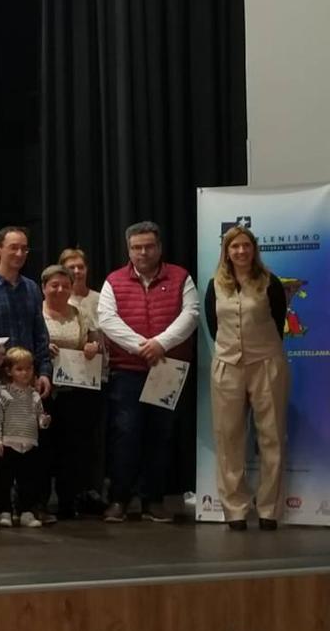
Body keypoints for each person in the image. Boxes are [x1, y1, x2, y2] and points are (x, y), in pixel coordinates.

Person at [98, 221, 199, 523]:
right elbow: (106, 319)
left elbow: (191, 314)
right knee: (125, 436)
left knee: (160, 436)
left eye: (148, 246)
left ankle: (153, 500)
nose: (143, 252)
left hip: (167, 370)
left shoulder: (181, 277)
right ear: (128, 249)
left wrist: (161, 343)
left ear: (159, 248)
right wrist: (143, 346)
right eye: (136, 247)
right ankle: (119, 499)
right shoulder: (114, 280)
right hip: (127, 372)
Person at [204, 226, 289, 532]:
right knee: (229, 439)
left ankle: (269, 509)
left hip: (266, 363)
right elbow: (213, 327)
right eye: (234, 247)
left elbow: (278, 321)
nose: (241, 252)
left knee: (272, 436)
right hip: (228, 366)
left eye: (246, 246)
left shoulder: (270, 282)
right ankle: (235, 509)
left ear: (254, 250)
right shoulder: (215, 286)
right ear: (226, 252)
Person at [0, 226, 53, 509]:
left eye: (24, 248)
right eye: (13, 247)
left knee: (27, 442)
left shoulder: (30, 288)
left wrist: (44, 372)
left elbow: (40, 335)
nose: (19, 253)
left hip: (27, 380)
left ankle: (27, 504)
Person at [40, 265, 102, 521]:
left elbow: (95, 344)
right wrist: (42, 346)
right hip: (43, 390)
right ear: (43, 287)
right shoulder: (36, 313)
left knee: (71, 448)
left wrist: (92, 347)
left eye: (65, 285)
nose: (60, 290)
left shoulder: (81, 314)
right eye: (54, 285)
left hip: (74, 390)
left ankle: (68, 500)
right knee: (43, 449)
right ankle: (39, 502)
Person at [0, 347, 50, 528]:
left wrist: (44, 421)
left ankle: (26, 511)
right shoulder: (3, 393)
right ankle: (5, 511)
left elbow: (39, 417)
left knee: (28, 479)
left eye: (28, 369)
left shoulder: (34, 395)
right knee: (4, 479)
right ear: (9, 371)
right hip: (9, 442)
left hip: (29, 443)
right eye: (19, 369)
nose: (25, 373)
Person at [60, 247, 99, 330]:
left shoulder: (99, 299)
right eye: (71, 268)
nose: (77, 271)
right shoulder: (60, 300)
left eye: (81, 267)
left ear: (86, 269)